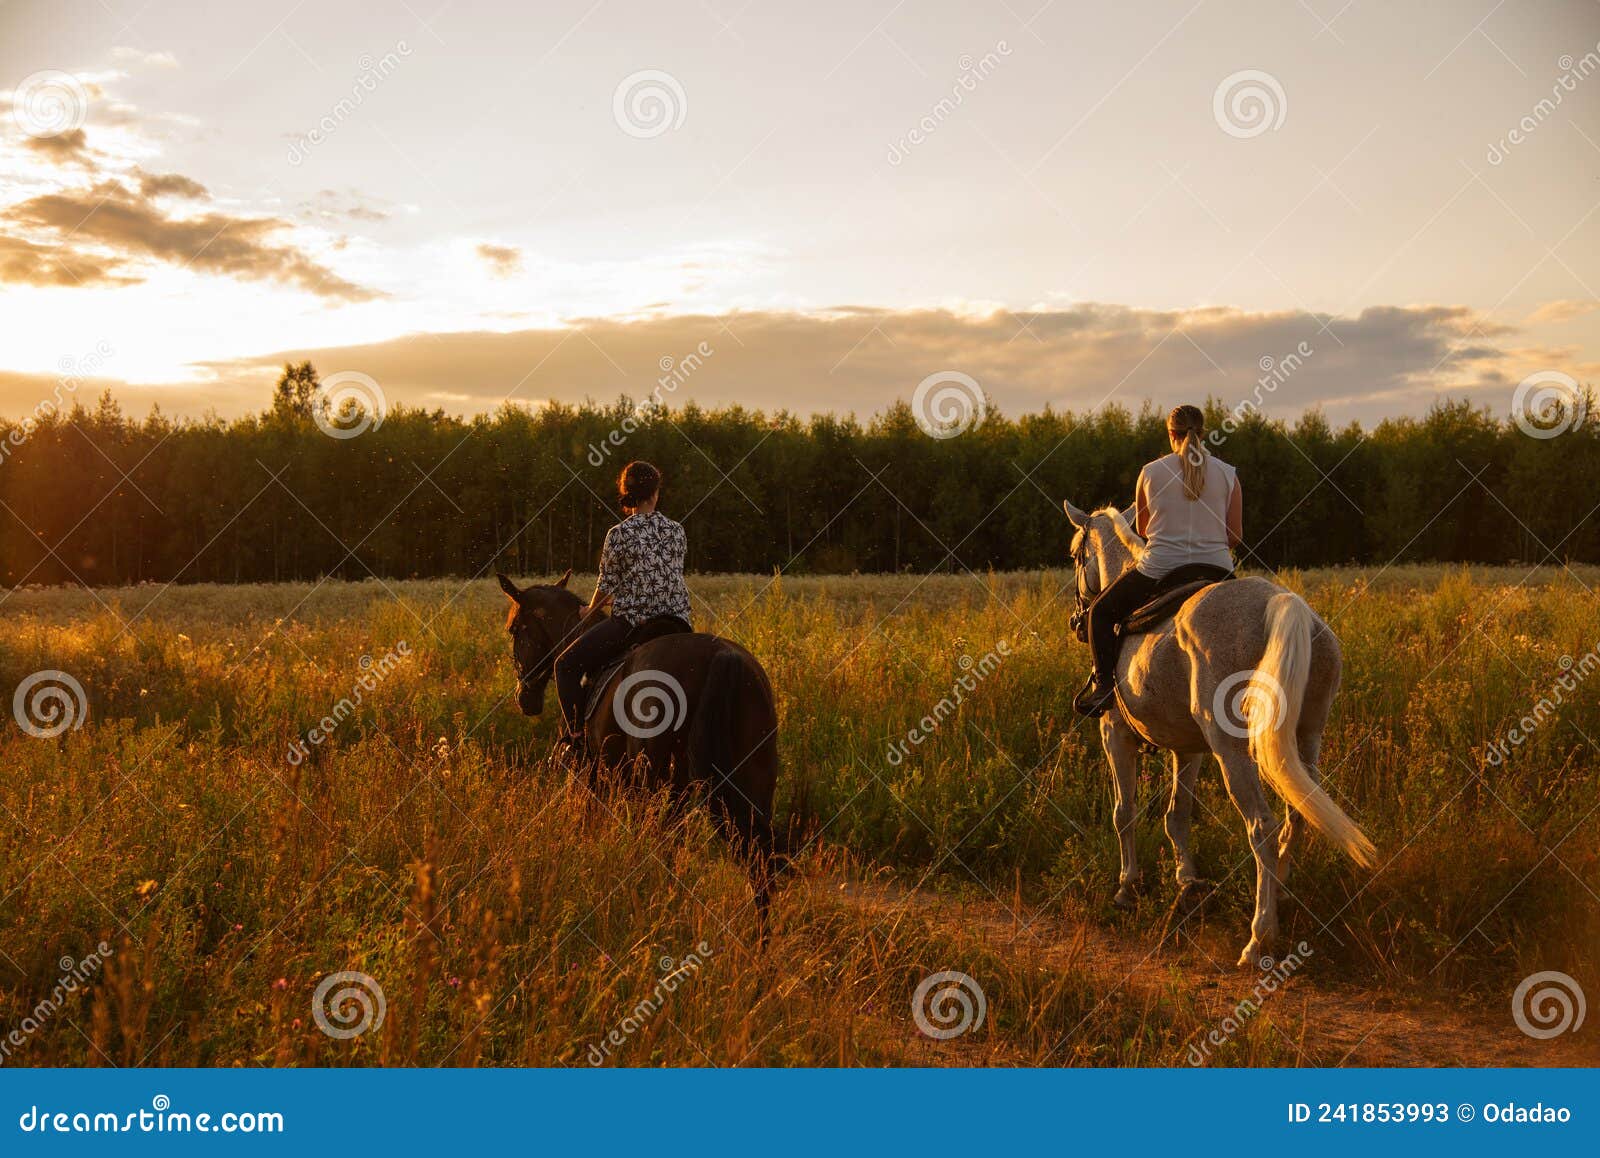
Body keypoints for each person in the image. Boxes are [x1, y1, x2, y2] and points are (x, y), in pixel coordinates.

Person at [1073, 405, 1242, 716]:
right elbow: (1234, 537)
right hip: (1218, 569)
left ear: (1170, 434)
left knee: (1099, 612)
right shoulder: (1228, 474)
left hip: (1161, 568)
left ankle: (1103, 688)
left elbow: (1142, 530)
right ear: (1201, 434)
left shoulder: (1150, 472)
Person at [554, 461, 693, 742]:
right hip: (679, 622)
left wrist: (588, 610)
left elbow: (605, 589)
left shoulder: (618, 534)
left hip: (634, 623)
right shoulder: (677, 530)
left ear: (626, 493)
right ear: (655, 493)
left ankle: (577, 738)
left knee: (564, 666)